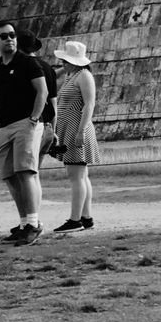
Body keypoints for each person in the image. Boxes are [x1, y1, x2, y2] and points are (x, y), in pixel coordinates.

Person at [0, 18, 48, 246]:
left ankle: (33, 224)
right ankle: (24, 224)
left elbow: (42, 92)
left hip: (27, 123)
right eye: (4, 36)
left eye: (12, 35)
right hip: (5, 127)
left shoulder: (28, 63)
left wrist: (34, 119)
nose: (9, 39)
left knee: (26, 172)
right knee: (10, 177)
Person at [50, 40, 99, 233]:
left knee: (76, 175)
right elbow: (50, 78)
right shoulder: (74, 75)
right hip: (71, 128)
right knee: (81, 175)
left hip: (77, 129)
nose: (63, 63)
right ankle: (85, 217)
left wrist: (80, 131)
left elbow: (89, 105)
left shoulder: (84, 76)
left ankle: (75, 219)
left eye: (65, 60)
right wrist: (66, 68)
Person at [17, 30, 58, 165]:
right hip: (47, 126)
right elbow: (53, 105)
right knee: (34, 174)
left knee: (24, 173)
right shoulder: (48, 68)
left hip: (29, 125)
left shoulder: (22, 68)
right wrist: (52, 130)